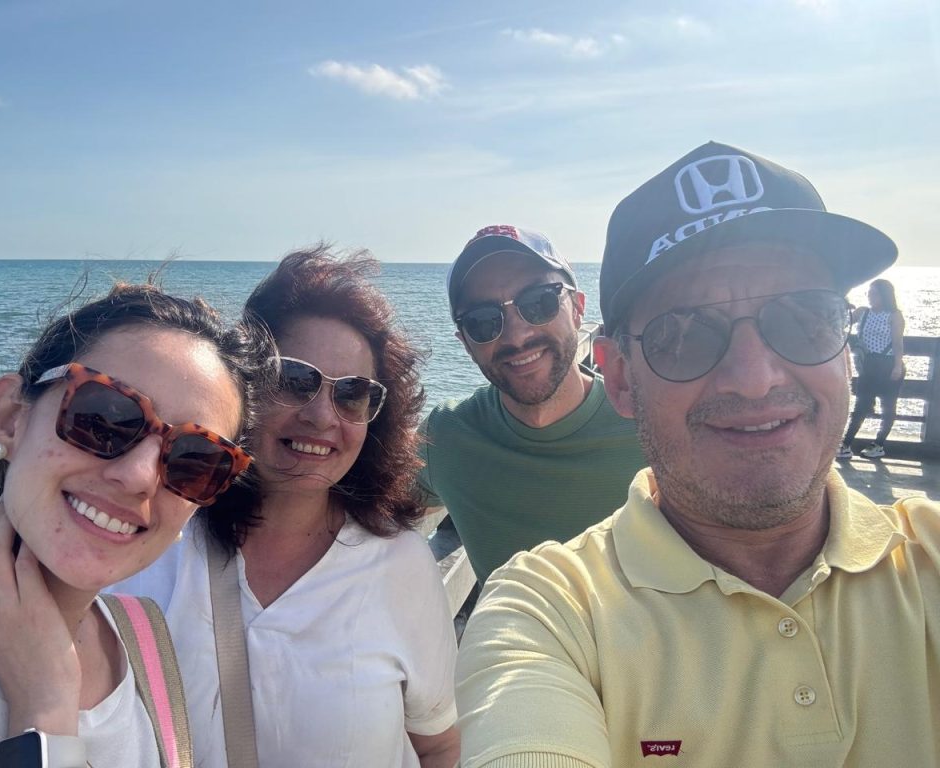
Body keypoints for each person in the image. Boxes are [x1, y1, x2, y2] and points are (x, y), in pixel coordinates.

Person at [455, 142, 940, 766]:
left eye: (803, 317)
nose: (755, 378)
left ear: (844, 343)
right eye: (682, 335)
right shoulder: (547, 611)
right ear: (620, 378)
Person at [113, 247, 460, 768]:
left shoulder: (400, 564)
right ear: (244, 387)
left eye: (353, 394)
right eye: (294, 380)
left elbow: (437, 745)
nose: (322, 416)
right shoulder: (161, 540)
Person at [0, 281, 268, 767]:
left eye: (195, 460)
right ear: (9, 417)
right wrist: (45, 711)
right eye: (105, 416)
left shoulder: (142, 639)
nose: (139, 477)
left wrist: (45, 699)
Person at [416, 224, 645, 584]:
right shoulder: (445, 436)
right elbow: (373, 500)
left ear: (577, 308)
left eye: (539, 302)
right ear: (465, 343)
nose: (516, 335)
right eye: (482, 321)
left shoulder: (649, 426)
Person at [837, 278, 906, 459]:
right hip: (868, 365)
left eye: (874, 293)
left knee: (888, 407)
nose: (870, 296)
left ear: (885, 295)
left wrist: (897, 366)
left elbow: (898, 343)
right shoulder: (863, 312)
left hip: (888, 364)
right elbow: (841, 323)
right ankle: (845, 445)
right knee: (861, 405)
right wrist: (842, 307)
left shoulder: (894, 315)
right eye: (869, 293)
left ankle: (879, 444)